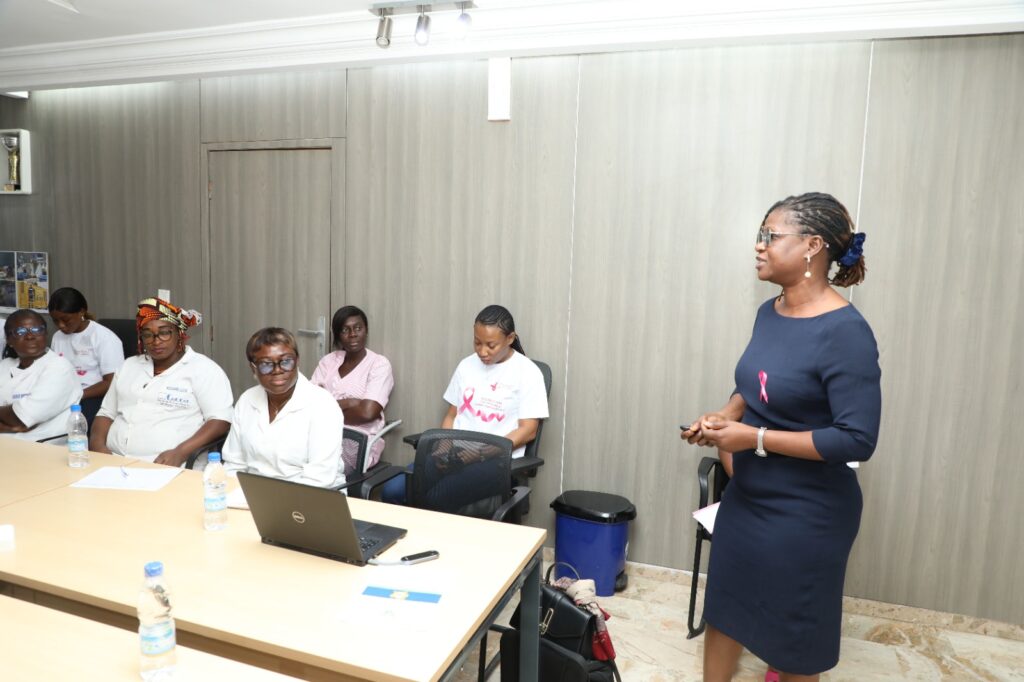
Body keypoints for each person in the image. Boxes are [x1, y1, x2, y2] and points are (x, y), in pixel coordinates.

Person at [683, 192, 881, 682]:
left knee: (793, 645)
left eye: (769, 236)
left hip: (807, 515)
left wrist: (754, 438)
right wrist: (725, 417)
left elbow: (856, 438)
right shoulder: (769, 312)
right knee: (724, 614)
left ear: (812, 246)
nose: (759, 245)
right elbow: (756, 386)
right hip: (747, 500)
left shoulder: (846, 332)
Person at [382, 304, 549, 503]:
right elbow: (452, 415)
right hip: (455, 453)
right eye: (477, 342)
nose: (482, 351)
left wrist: (477, 453)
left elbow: (528, 431)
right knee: (393, 490)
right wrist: (444, 447)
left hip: (495, 461)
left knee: (435, 498)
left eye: (491, 345)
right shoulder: (466, 365)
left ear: (510, 338)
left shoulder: (528, 373)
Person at [90, 297, 233, 466]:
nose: (156, 341)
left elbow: (220, 421)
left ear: (179, 334)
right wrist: (97, 444)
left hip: (168, 464)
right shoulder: (129, 366)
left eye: (164, 333)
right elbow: (106, 413)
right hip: (114, 461)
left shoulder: (204, 370)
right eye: (147, 335)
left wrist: (180, 452)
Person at [223, 327, 345, 488]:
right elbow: (234, 465)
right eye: (266, 364)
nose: (278, 370)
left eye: (286, 361)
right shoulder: (247, 400)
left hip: (310, 494)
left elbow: (319, 477)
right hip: (253, 493)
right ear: (253, 368)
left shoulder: (322, 404)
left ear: (297, 361)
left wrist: (272, 499)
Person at [311, 306, 394, 476]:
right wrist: (350, 402)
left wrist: (326, 409)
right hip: (319, 436)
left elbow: (367, 413)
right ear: (338, 335)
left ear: (366, 331)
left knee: (320, 471)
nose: (352, 334)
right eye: (345, 330)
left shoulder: (378, 364)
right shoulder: (328, 362)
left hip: (356, 442)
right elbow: (310, 405)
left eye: (358, 328)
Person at [0, 309, 83, 441]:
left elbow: (20, 418)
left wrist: (14, 420)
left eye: (37, 330)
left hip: (41, 447)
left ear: (45, 334)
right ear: (9, 340)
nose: (30, 336)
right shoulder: (5, 365)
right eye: (20, 331)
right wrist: (8, 427)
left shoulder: (59, 367)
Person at [48, 287, 125, 425]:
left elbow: (112, 382)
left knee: (72, 424)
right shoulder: (57, 337)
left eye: (66, 320)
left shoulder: (104, 337)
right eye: (55, 321)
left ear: (82, 312)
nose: (61, 326)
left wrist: (77, 395)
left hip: (94, 397)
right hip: (65, 395)